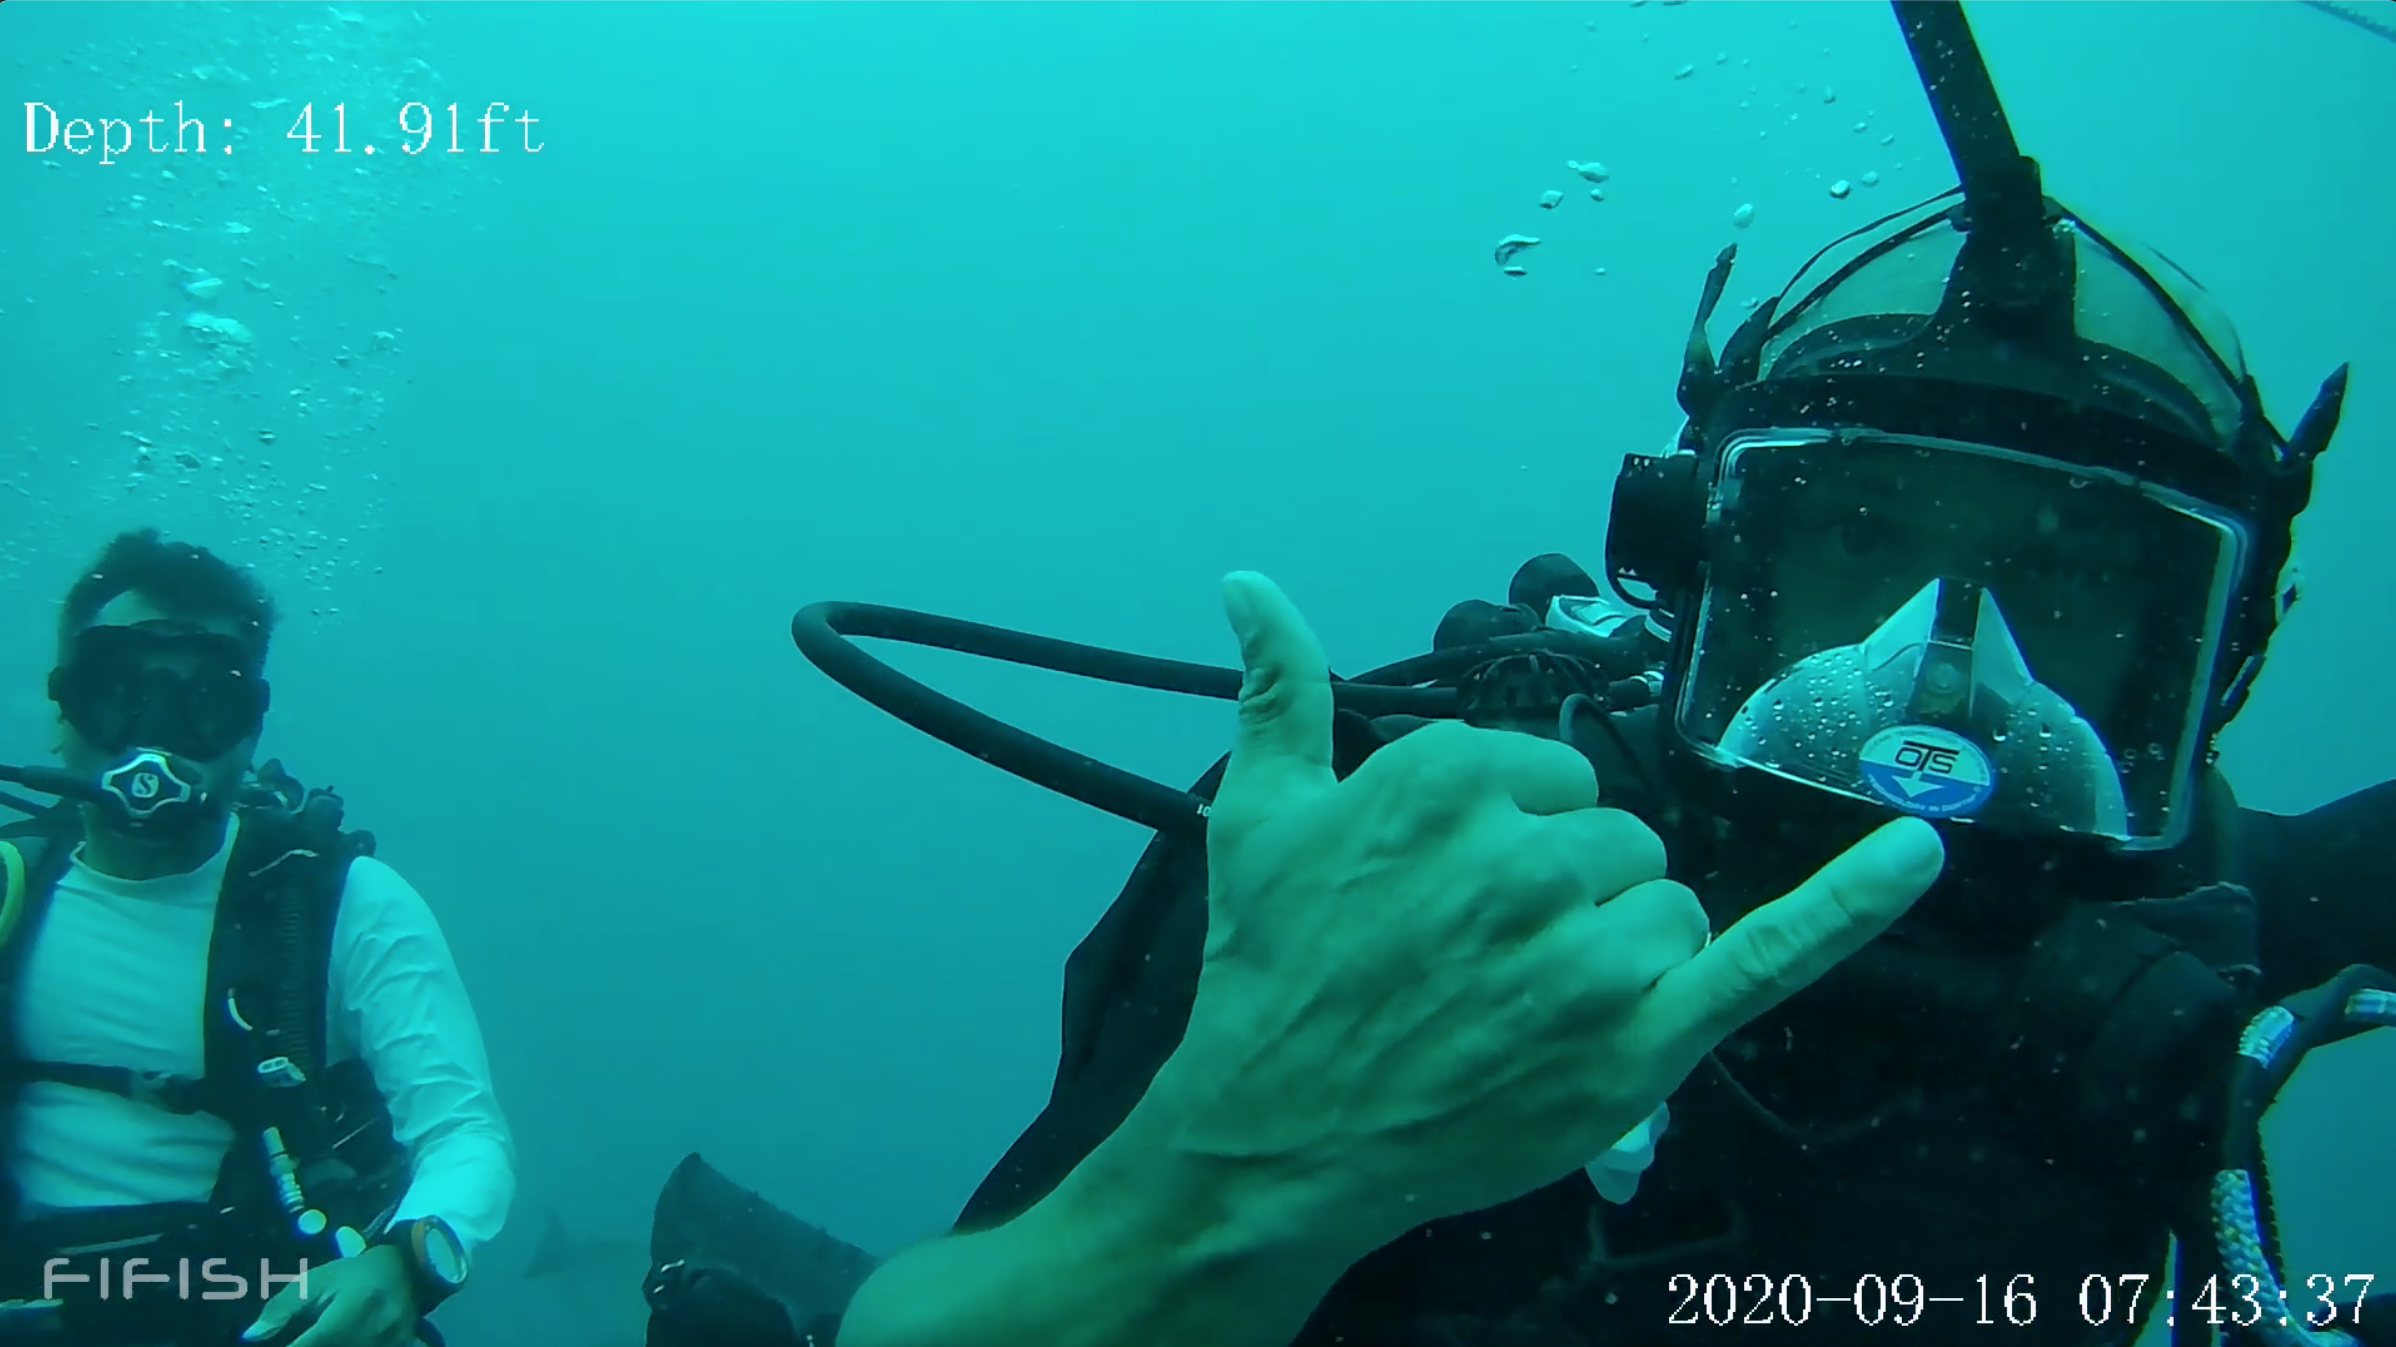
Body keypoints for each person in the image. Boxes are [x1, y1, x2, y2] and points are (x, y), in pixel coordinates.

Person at [777, 5, 2396, 1347]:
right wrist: (1221, 1189)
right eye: (1858, 549)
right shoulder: (1382, 868)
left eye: (2072, 586)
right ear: (1697, 563)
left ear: (2217, 654)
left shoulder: (2233, 910)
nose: (1943, 674)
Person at [0, 529, 516, 1347]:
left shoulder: (339, 903)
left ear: (250, 726)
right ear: (62, 703)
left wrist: (400, 1265)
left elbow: (463, 1134)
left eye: (205, 698)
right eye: (118, 690)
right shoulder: (9, 895)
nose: (156, 734)